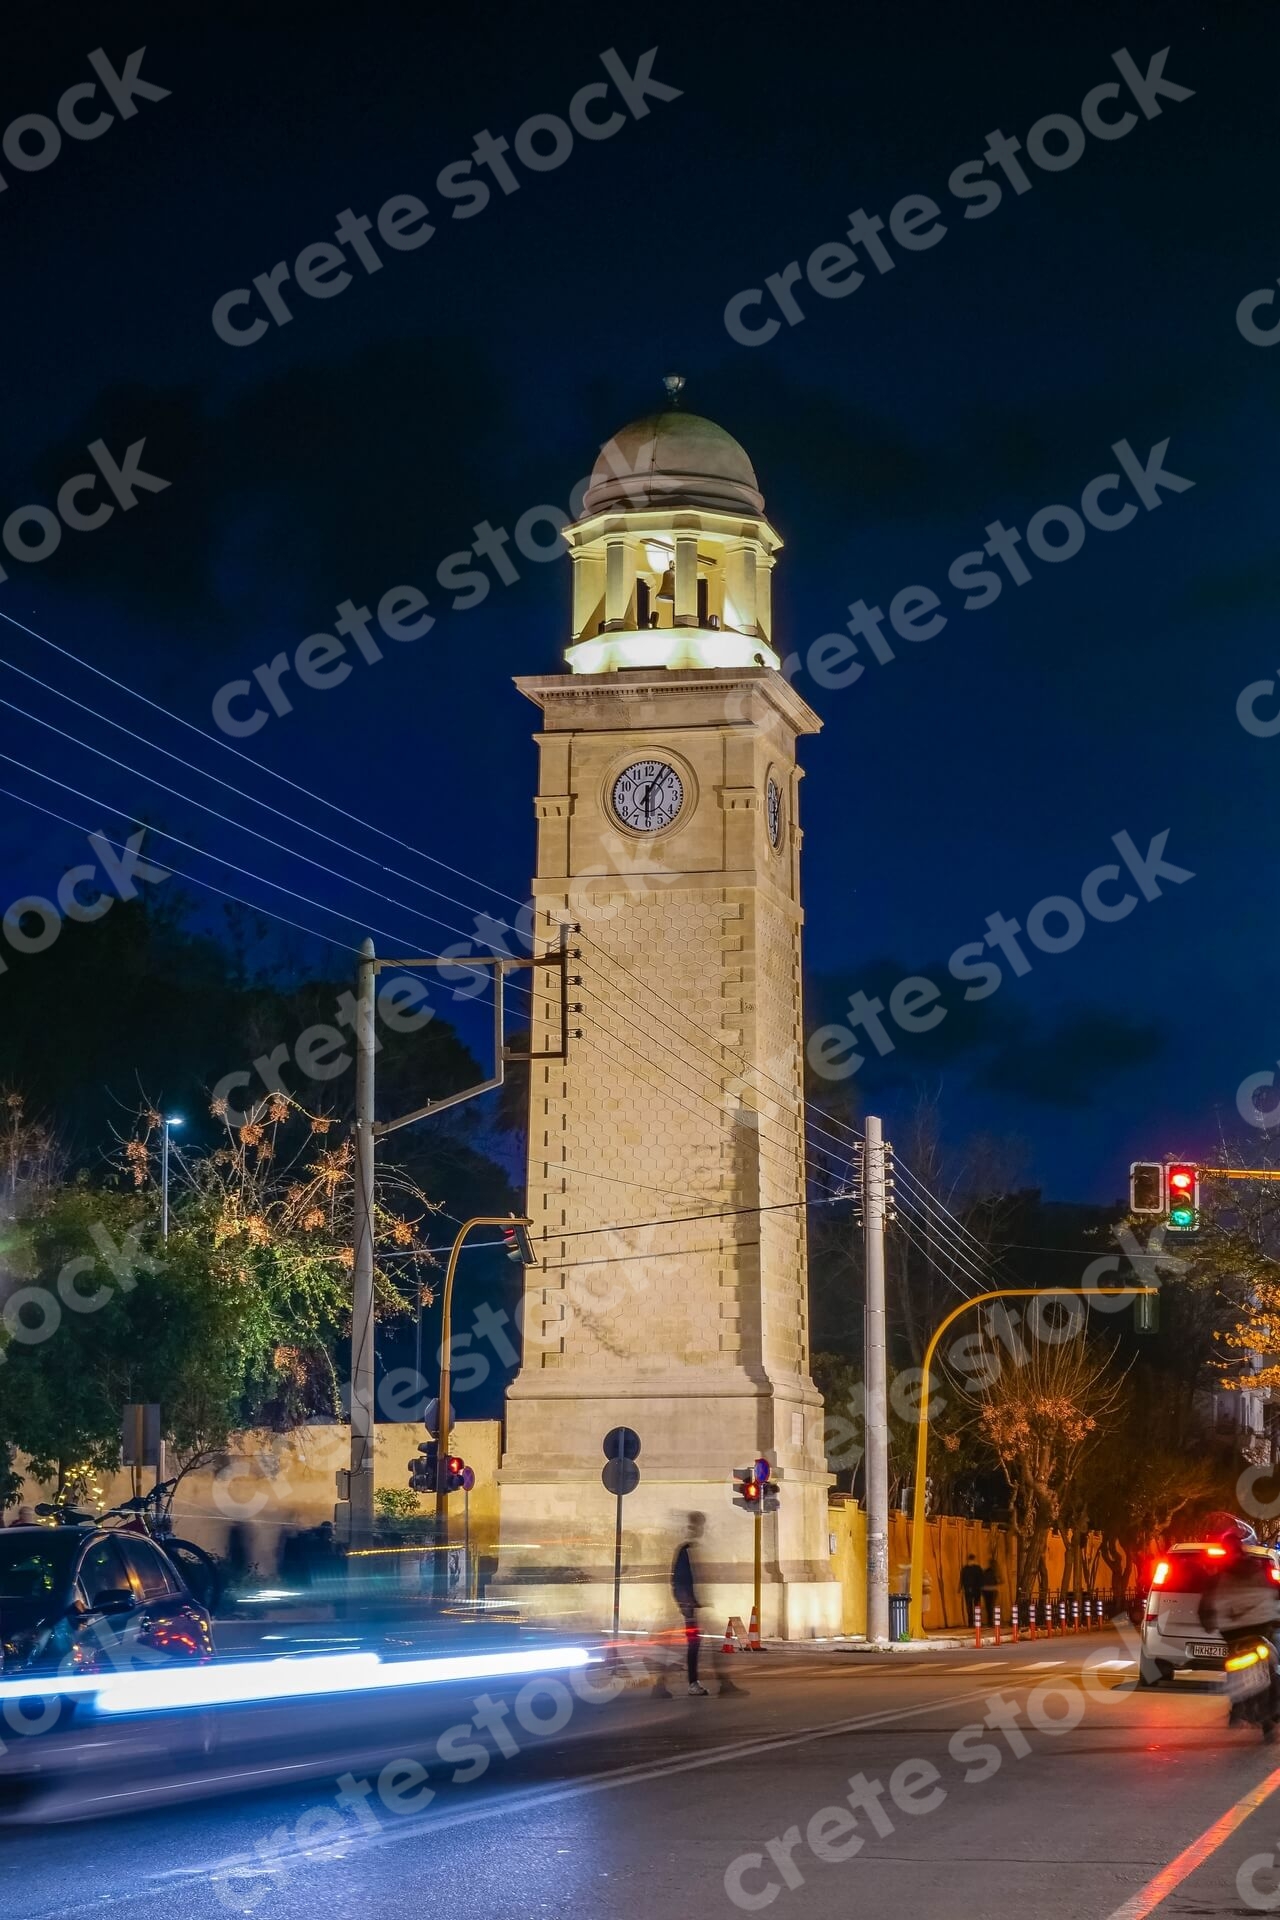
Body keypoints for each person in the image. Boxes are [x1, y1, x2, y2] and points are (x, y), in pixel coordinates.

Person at [1199, 1521, 1280, 1735]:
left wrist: (1208, 1623)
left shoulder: (1217, 1575)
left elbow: (1207, 1604)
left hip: (1232, 1629)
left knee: (1233, 1661)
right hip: (1261, 1624)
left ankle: (1237, 1704)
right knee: (1272, 1660)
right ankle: (1271, 1708)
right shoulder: (1258, 1565)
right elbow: (1274, 1591)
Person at [960, 1555, 984, 1628]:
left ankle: (973, 1623)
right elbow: (962, 1579)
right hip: (973, 1590)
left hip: (972, 1590)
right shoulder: (976, 1568)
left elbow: (962, 1579)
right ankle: (974, 1622)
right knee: (973, 1607)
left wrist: (961, 1588)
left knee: (972, 1607)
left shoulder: (966, 1569)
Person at [982, 1559, 999, 1627]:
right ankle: (990, 1621)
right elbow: (998, 1581)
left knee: (988, 1606)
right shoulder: (995, 1572)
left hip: (985, 1590)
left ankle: (990, 1621)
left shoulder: (985, 1571)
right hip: (992, 1590)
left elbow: (982, 1580)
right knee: (991, 1606)